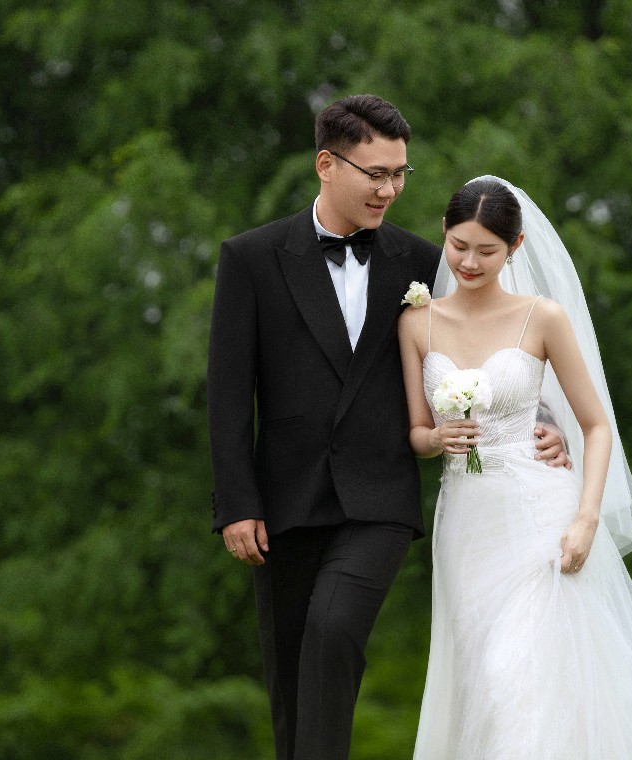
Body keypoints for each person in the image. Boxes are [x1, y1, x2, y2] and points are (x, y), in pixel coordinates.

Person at [206, 97, 568, 760]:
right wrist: (236, 503)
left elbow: (489, 339)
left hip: (379, 498)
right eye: (376, 173)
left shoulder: (422, 262)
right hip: (284, 501)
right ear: (326, 164)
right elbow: (228, 394)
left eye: (400, 173)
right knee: (290, 670)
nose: (390, 189)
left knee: (333, 629)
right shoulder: (251, 258)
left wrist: (540, 419)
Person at [399, 176, 632, 759]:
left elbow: (596, 425)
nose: (469, 262)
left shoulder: (541, 317)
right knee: (486, 681)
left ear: (515, 247)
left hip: (541, 516)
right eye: (460, 245)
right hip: (468, 524)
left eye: (487, 251)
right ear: (443, 233)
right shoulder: (418, 322)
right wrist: (437, 438)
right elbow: (417, 432)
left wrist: (586, 518)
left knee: (525, 675)